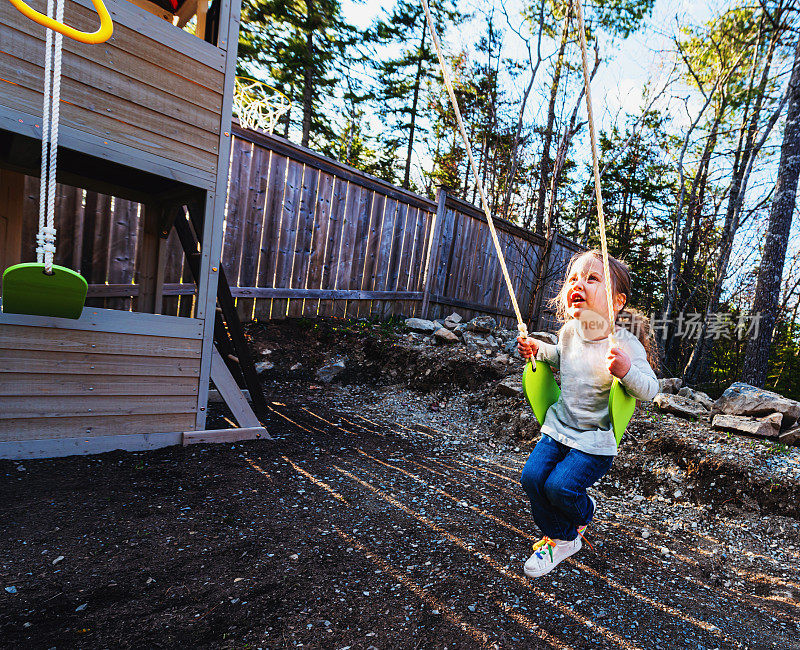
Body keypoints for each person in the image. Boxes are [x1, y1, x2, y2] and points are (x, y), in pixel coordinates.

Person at [516, 249, 659, 578]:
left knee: (560, 488)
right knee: (532, 479)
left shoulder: (624, 346)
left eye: (592, 278)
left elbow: (651, 391)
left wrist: (625, 371)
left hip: (594, 441)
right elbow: (560, 357)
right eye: (573, 278)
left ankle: (569, 531)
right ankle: (562, 535)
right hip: (559, 427)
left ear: (617, 302)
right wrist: (539, 350)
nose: (578, 283)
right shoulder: (568, 333)